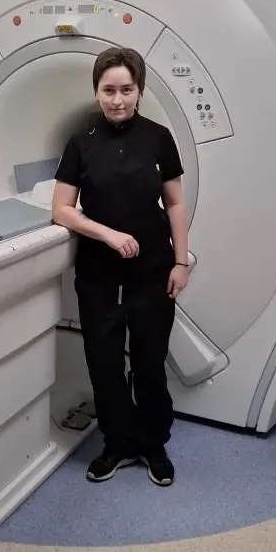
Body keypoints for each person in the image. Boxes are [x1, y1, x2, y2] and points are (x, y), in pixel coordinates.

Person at [52, 47, 189, 487]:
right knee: (104, 363)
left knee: (149, 362)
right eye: (108, 90)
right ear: (96, 91)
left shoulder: (158, 138)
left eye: (126, 90)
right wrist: (107, 234)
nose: (117, 99)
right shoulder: (82, 142)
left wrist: (181, 261)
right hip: (99, 274)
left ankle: (153, 444)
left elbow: (175, 203)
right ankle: (117, 444)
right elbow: (61, 209)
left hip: (153, 269)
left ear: (139, 91)